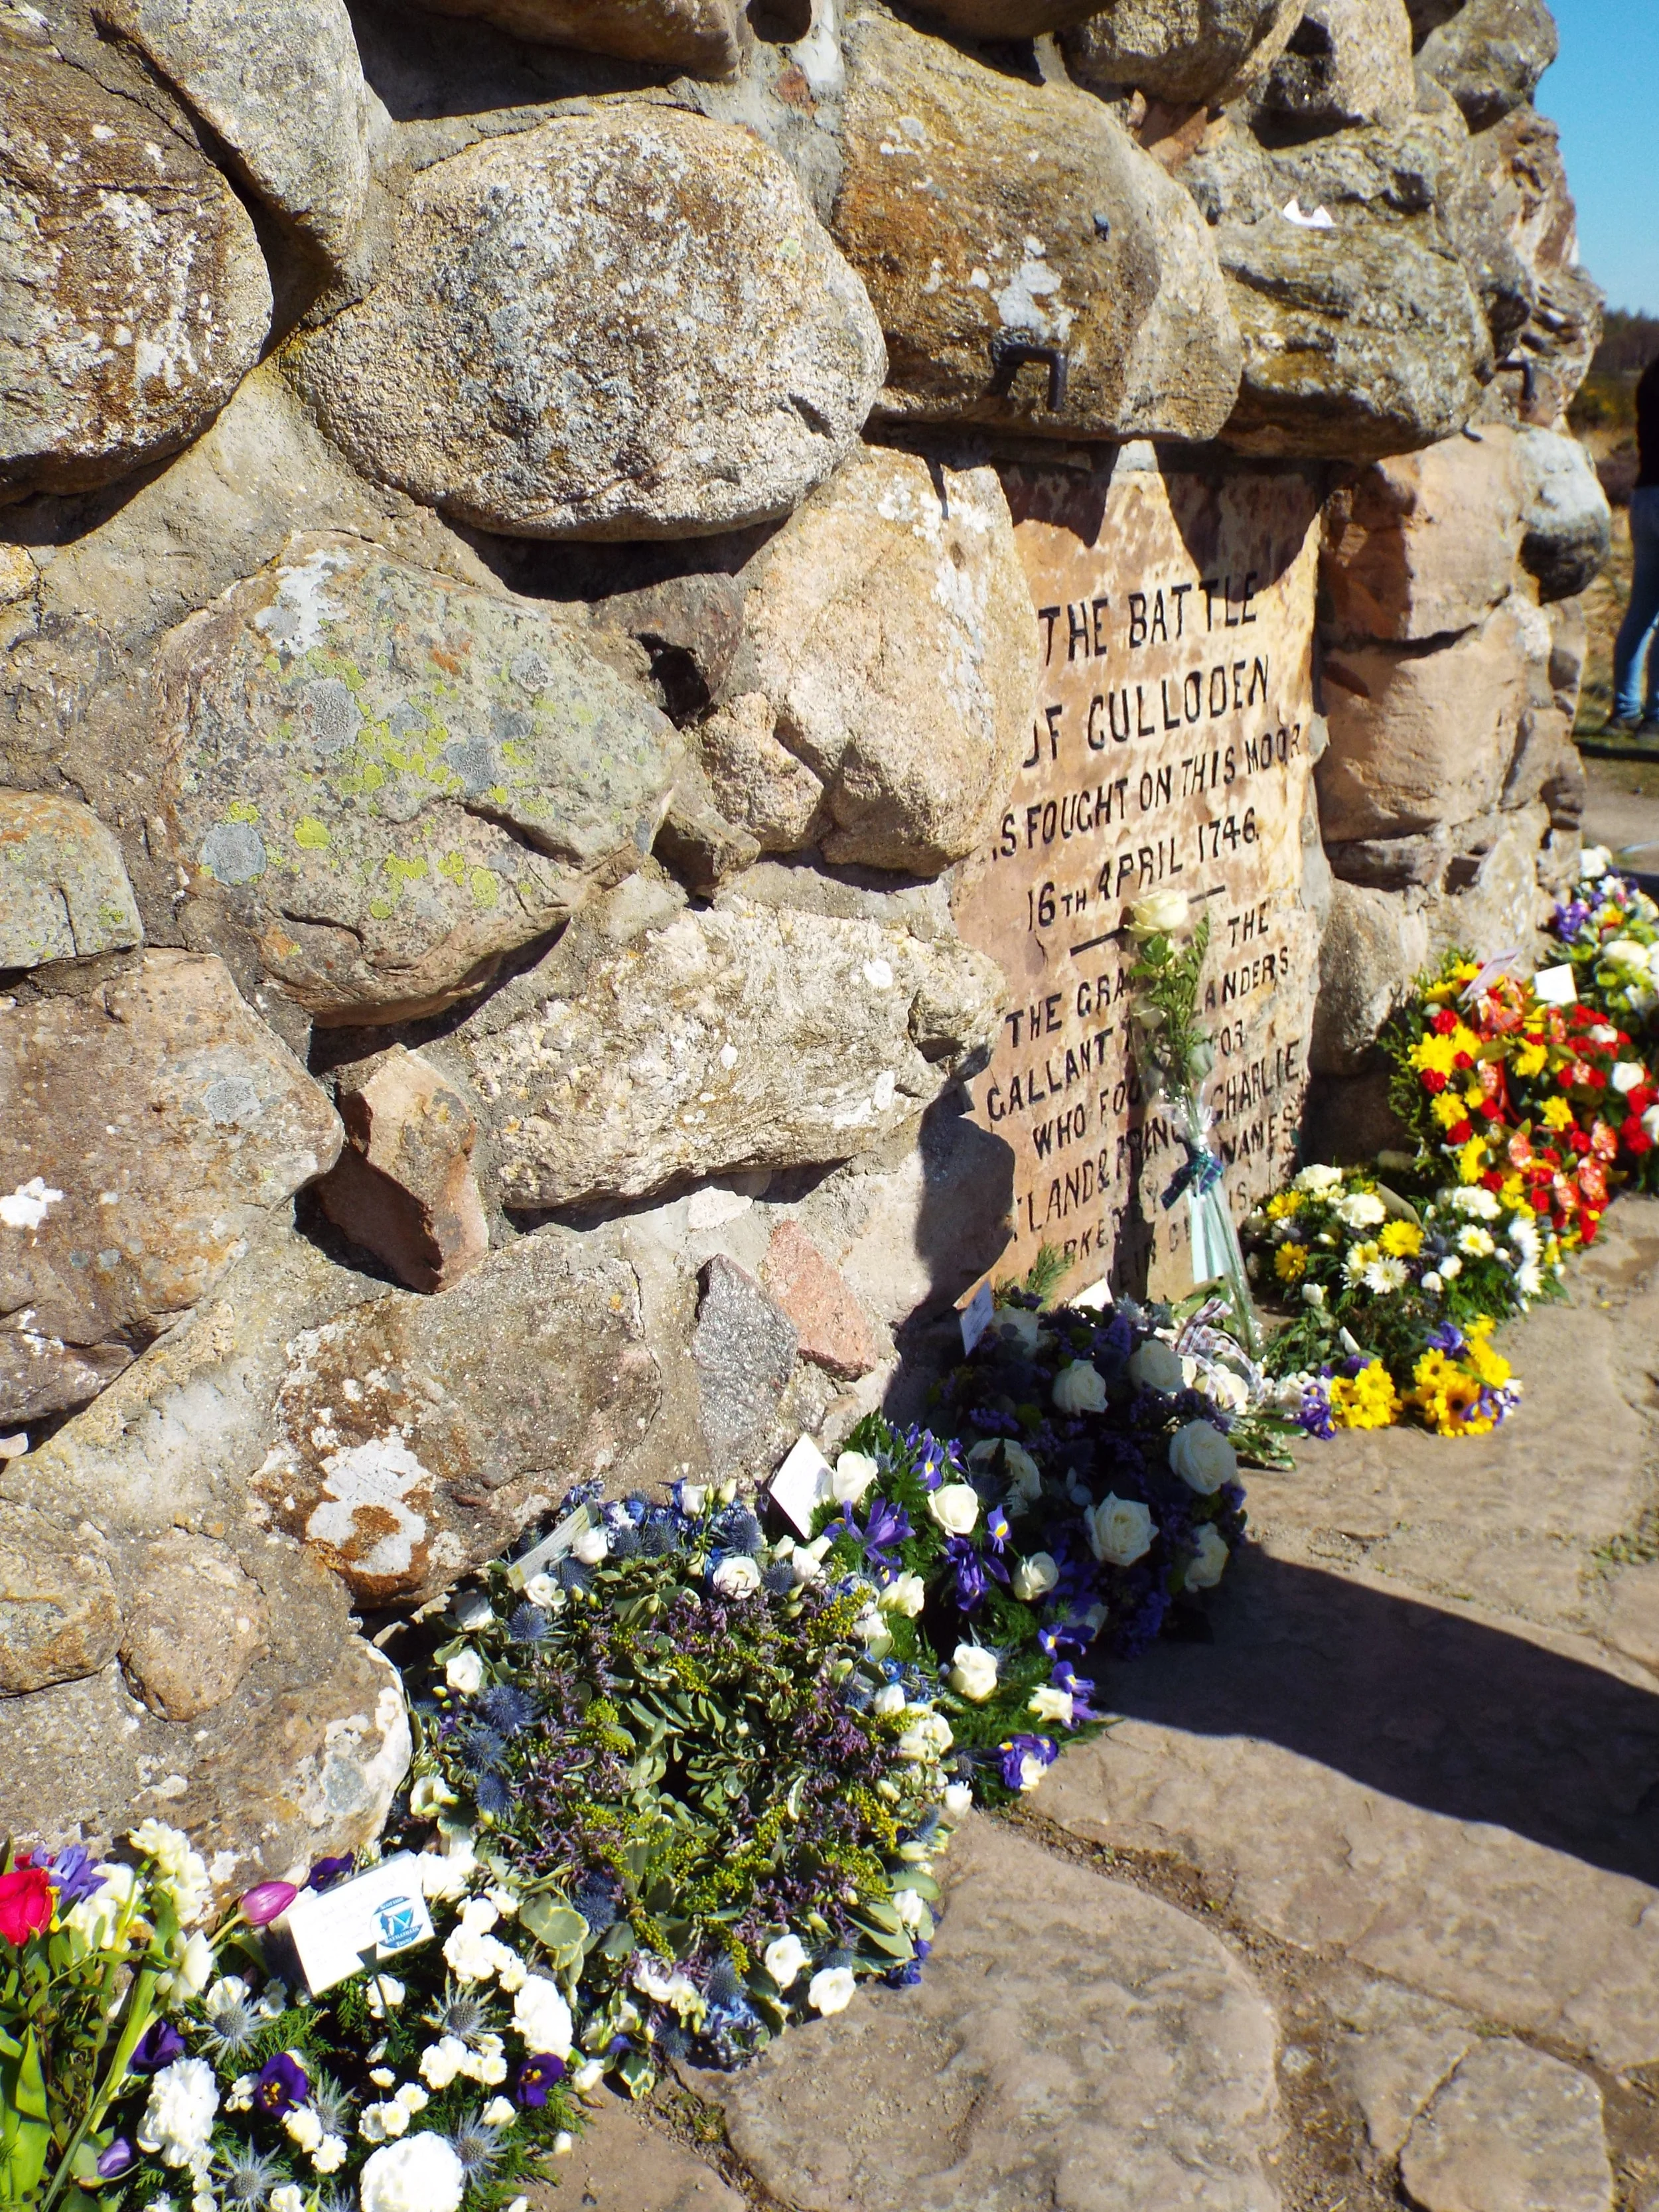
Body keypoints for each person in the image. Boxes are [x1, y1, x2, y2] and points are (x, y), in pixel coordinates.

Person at [1610, 356, 1659, 732]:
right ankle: (1657, 715)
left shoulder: (1651, 375)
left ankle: (1624, 709)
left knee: (1641, 611)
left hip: (1644, 496)